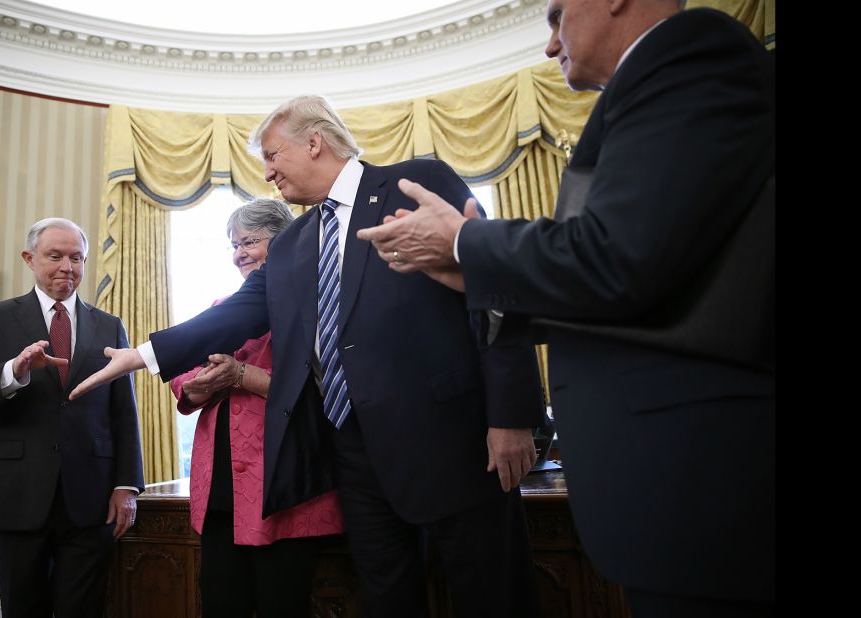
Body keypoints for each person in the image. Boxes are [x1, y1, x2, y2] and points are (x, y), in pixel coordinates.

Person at [356, 2, 775, 616]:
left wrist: (466, 243)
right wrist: (466, 273)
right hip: (673, 490)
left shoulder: (692, 55)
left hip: (706, 484)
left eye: (556, 17)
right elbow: (637, 277)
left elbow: (619, 256)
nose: (550, 45)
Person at [73, 96, 547, 617]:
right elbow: (236, 314)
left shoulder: (415, 181)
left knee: (495, 596)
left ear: (314, 142)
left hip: (453, 443)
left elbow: (492, 286)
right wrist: (143, 355)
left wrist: (512, 415)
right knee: (389, 599)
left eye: (273, 155)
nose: (268, 171)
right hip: (355, 458)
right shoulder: (297, 239)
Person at [0, 217, 145, 618]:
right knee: (24, 609)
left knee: (83, 609)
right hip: (18, 495)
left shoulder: (109, 325)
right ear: (30, 258)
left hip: (91, 498)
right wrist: (14, 372)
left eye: (76, 258)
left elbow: (123, 412)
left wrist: (128, 485)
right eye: (54, 256)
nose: (66, 267)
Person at [172, 197, 345, 617]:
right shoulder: (221, 308)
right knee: (220, 603)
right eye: (233, 245)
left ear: (284, 242)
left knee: (281, 604)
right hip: (219, 491)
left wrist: (239, 376)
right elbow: (182, 374)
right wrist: (198, 386)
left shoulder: (318, 306)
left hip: (285, 485)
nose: (239, 254)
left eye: (249, 241)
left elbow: (328, 391)